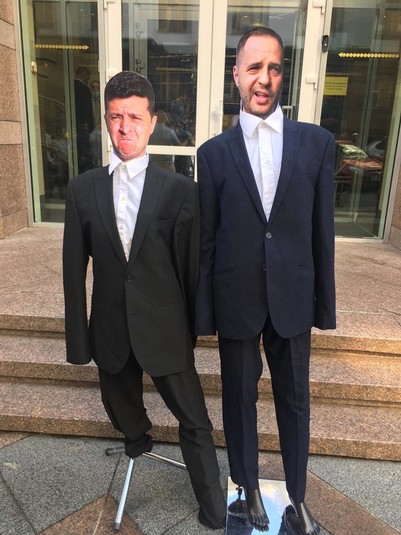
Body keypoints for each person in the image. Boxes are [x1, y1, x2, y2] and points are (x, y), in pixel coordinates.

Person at [63, 71, 226, 530]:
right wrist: (79, 343)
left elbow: (190, 268)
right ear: (105, 121)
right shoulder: (82, 190)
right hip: (111, 329)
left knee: (194, 419)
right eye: (116, 116)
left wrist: (193, 329)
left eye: (135, 117)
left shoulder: (179, 191)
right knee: (122, 410)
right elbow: (73, 273)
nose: (125, 127)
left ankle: (212, 504)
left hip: (165, 328)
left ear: (152, 122)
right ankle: (137, 442)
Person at [195, 27, 336, 534]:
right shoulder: (213, 153)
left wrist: (325, 305)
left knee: (295, 398)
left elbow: (322, 232)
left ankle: (297, 496)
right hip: (236, 296)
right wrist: (204, 313)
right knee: (239, 396)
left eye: (273, 68)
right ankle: (247, 485)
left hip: (293, 296)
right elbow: (208, 239)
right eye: (254, 67)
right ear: (236, 75)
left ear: (283, 75)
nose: (264, 78)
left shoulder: (316, 144)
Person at [74, 66, 94, 172]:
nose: (88, 79)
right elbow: (87, 109)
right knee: (84, 151)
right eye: (87, 76)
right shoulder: (84, 90)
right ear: (84, 75)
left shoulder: (71, 88)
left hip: (74, 124)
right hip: (83, 125)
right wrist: (89, 125)